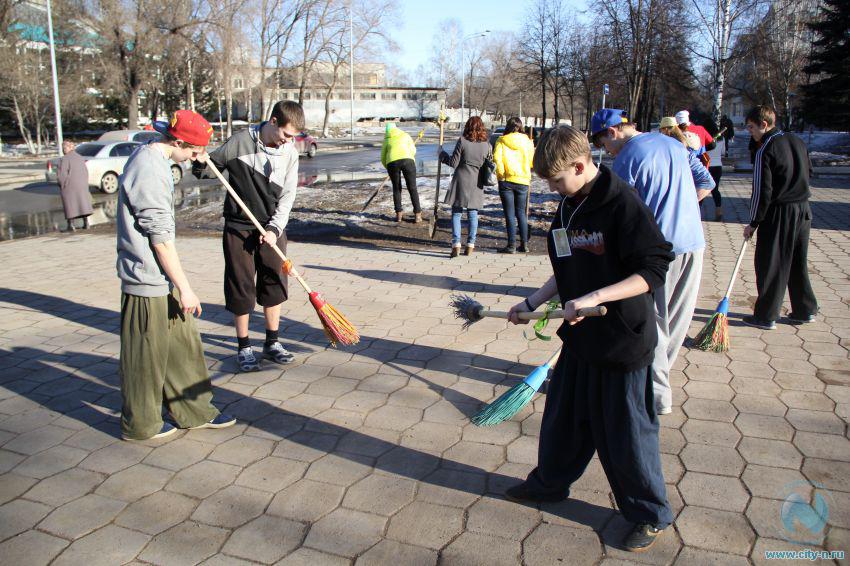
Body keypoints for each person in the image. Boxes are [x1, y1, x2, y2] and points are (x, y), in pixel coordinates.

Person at [505, 125, 674, 552]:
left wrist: (596, 296)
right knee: (563, 421)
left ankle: (648, 514)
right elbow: (565, 266)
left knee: (626, 435)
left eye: (557, 179)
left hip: (622, 339)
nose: (553, 189)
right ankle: (549, 484)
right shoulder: (569, 206)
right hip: (581, 339)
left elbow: (653, 270)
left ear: (580, 166)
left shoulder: (623, 205)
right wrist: (531, 302)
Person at [117, 109, 235, 441]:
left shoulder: (159, 157)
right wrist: (186, 288)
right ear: (178, 142)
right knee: (145, 356)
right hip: (146, 280)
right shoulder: (149, 169)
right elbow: (161, 240)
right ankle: (141, 424)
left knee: (183, 346)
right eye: (195, 151)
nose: (197, 158)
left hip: (162, 278)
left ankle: (193, 411)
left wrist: (200, 154)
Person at [591, 109, 709, 415]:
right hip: (693, 242)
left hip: (658, 252)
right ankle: (657, 381)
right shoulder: (674, 144)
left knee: (653, 323)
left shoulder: (627, 158)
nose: (606, 150)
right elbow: (706, 182)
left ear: (613, 132)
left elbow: (616, 212)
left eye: (603, 143)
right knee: (677, 321)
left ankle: (655, 395)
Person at [194, 101, 304, 372]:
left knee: (274, 283)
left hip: (272, 227)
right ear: (273, 121)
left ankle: (272, 343)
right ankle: (244, 346)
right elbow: (209, 169)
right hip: (239, 227)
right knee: (241, 286)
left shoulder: (290, 153)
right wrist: (199, 159)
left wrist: (274, 229)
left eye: (293, 137)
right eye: (286, 134)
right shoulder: (240, 142)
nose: (288, 141)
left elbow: (288, 196)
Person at [742, 105, 818, 329]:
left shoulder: (766, 148)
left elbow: (762, 191)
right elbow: (809, 172)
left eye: (751, 127)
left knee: (770, 262)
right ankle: (805, 310)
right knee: (796, 260)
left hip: (779, 212)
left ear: (764, 125)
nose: (750, 132)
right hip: (803, 210)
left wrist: (753, 222)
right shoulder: (797, 141)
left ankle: (766, 316)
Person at [440, 116, 491, 257]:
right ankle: (470, 244)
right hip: (477, 181)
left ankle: (456, 244)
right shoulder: (486, 145)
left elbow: (453, 163)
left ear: (468, 126)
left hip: (461, 180)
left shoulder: (462, 141)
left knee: (456, 213)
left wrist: (442, 155)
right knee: (473, 214)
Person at [494, 117, 534, 253]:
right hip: (523, 180)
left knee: (509, 214)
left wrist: (501, 175)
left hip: (506, 180)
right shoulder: (527, 141)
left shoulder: (501, 140)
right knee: (521, 213)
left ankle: (511, 245)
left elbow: (497, 159)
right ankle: (524, 244)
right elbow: (531, 161)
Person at [659, 116, 718, 206]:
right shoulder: (688, 140)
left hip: (677, 194)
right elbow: (712, 145)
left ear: (665, 129)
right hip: (695, 178)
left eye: (660, 130)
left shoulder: (673, 148)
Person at [381, 123, 421, 223]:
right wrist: (408, 157)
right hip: (408, 160)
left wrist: (389, 168)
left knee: (396, 188)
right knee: (412, 187)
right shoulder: (405, 135)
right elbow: (413, 150)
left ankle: (399, 215)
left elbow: (383, 157)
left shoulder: (387, 139)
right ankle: (418, 215)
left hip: (392, 163)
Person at [57, 140, 93, 232]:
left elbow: (62, 175)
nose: (63, 150)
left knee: (70, 205)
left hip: (69, 186)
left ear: (70, 148)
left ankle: (71, 225)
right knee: (82, 204)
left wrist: (62, 184)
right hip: (82, 185)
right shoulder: (80, 157)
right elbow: (85, 171)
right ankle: (86, 223)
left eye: (64, 147)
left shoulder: (64, 159)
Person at [704, 121, 725, 221]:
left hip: (707, 166)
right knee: (715, 190)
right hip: (718, 166)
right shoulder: (721, 139)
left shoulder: (705, 139)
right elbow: (723, 152)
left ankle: (697, 210)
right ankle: (719, 210)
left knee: (702, 189)